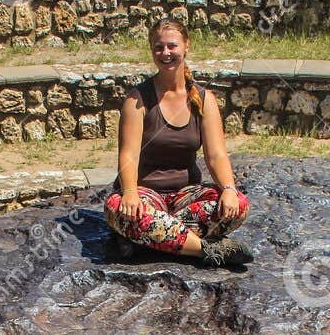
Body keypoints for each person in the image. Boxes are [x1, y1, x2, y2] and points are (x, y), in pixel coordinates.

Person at [105, 17, 251, 266]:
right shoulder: (137, 99)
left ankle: (154, 239)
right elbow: (128, 154)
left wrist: (228, 189)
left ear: (186, 46)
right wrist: (129, 193)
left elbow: (216, 155)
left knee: (239, 206)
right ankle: (204, 250)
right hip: (145, 196)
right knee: (118, 207)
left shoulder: (204, 99)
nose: (166, 53)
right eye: (159, 48)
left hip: (185, 197)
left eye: (172, 46)